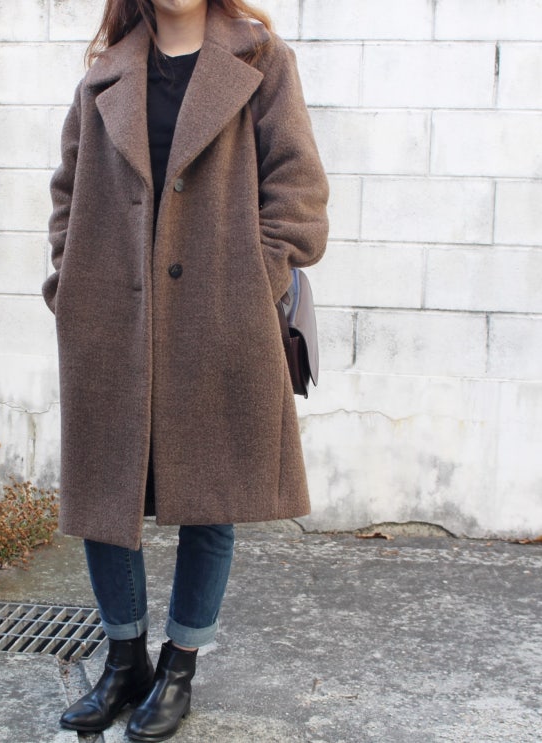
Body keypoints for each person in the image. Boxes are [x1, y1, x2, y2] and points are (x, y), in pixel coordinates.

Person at [42, 0, 328, 739]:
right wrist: (67, 283)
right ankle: (124, 661)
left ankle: (179, 668)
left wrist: (253, 281)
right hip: (111, 317)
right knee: (104, 494)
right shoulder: (105, 75)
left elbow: (297, 191)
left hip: (217, 315)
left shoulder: (261, 62)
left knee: (210, 496)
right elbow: (68, 192)